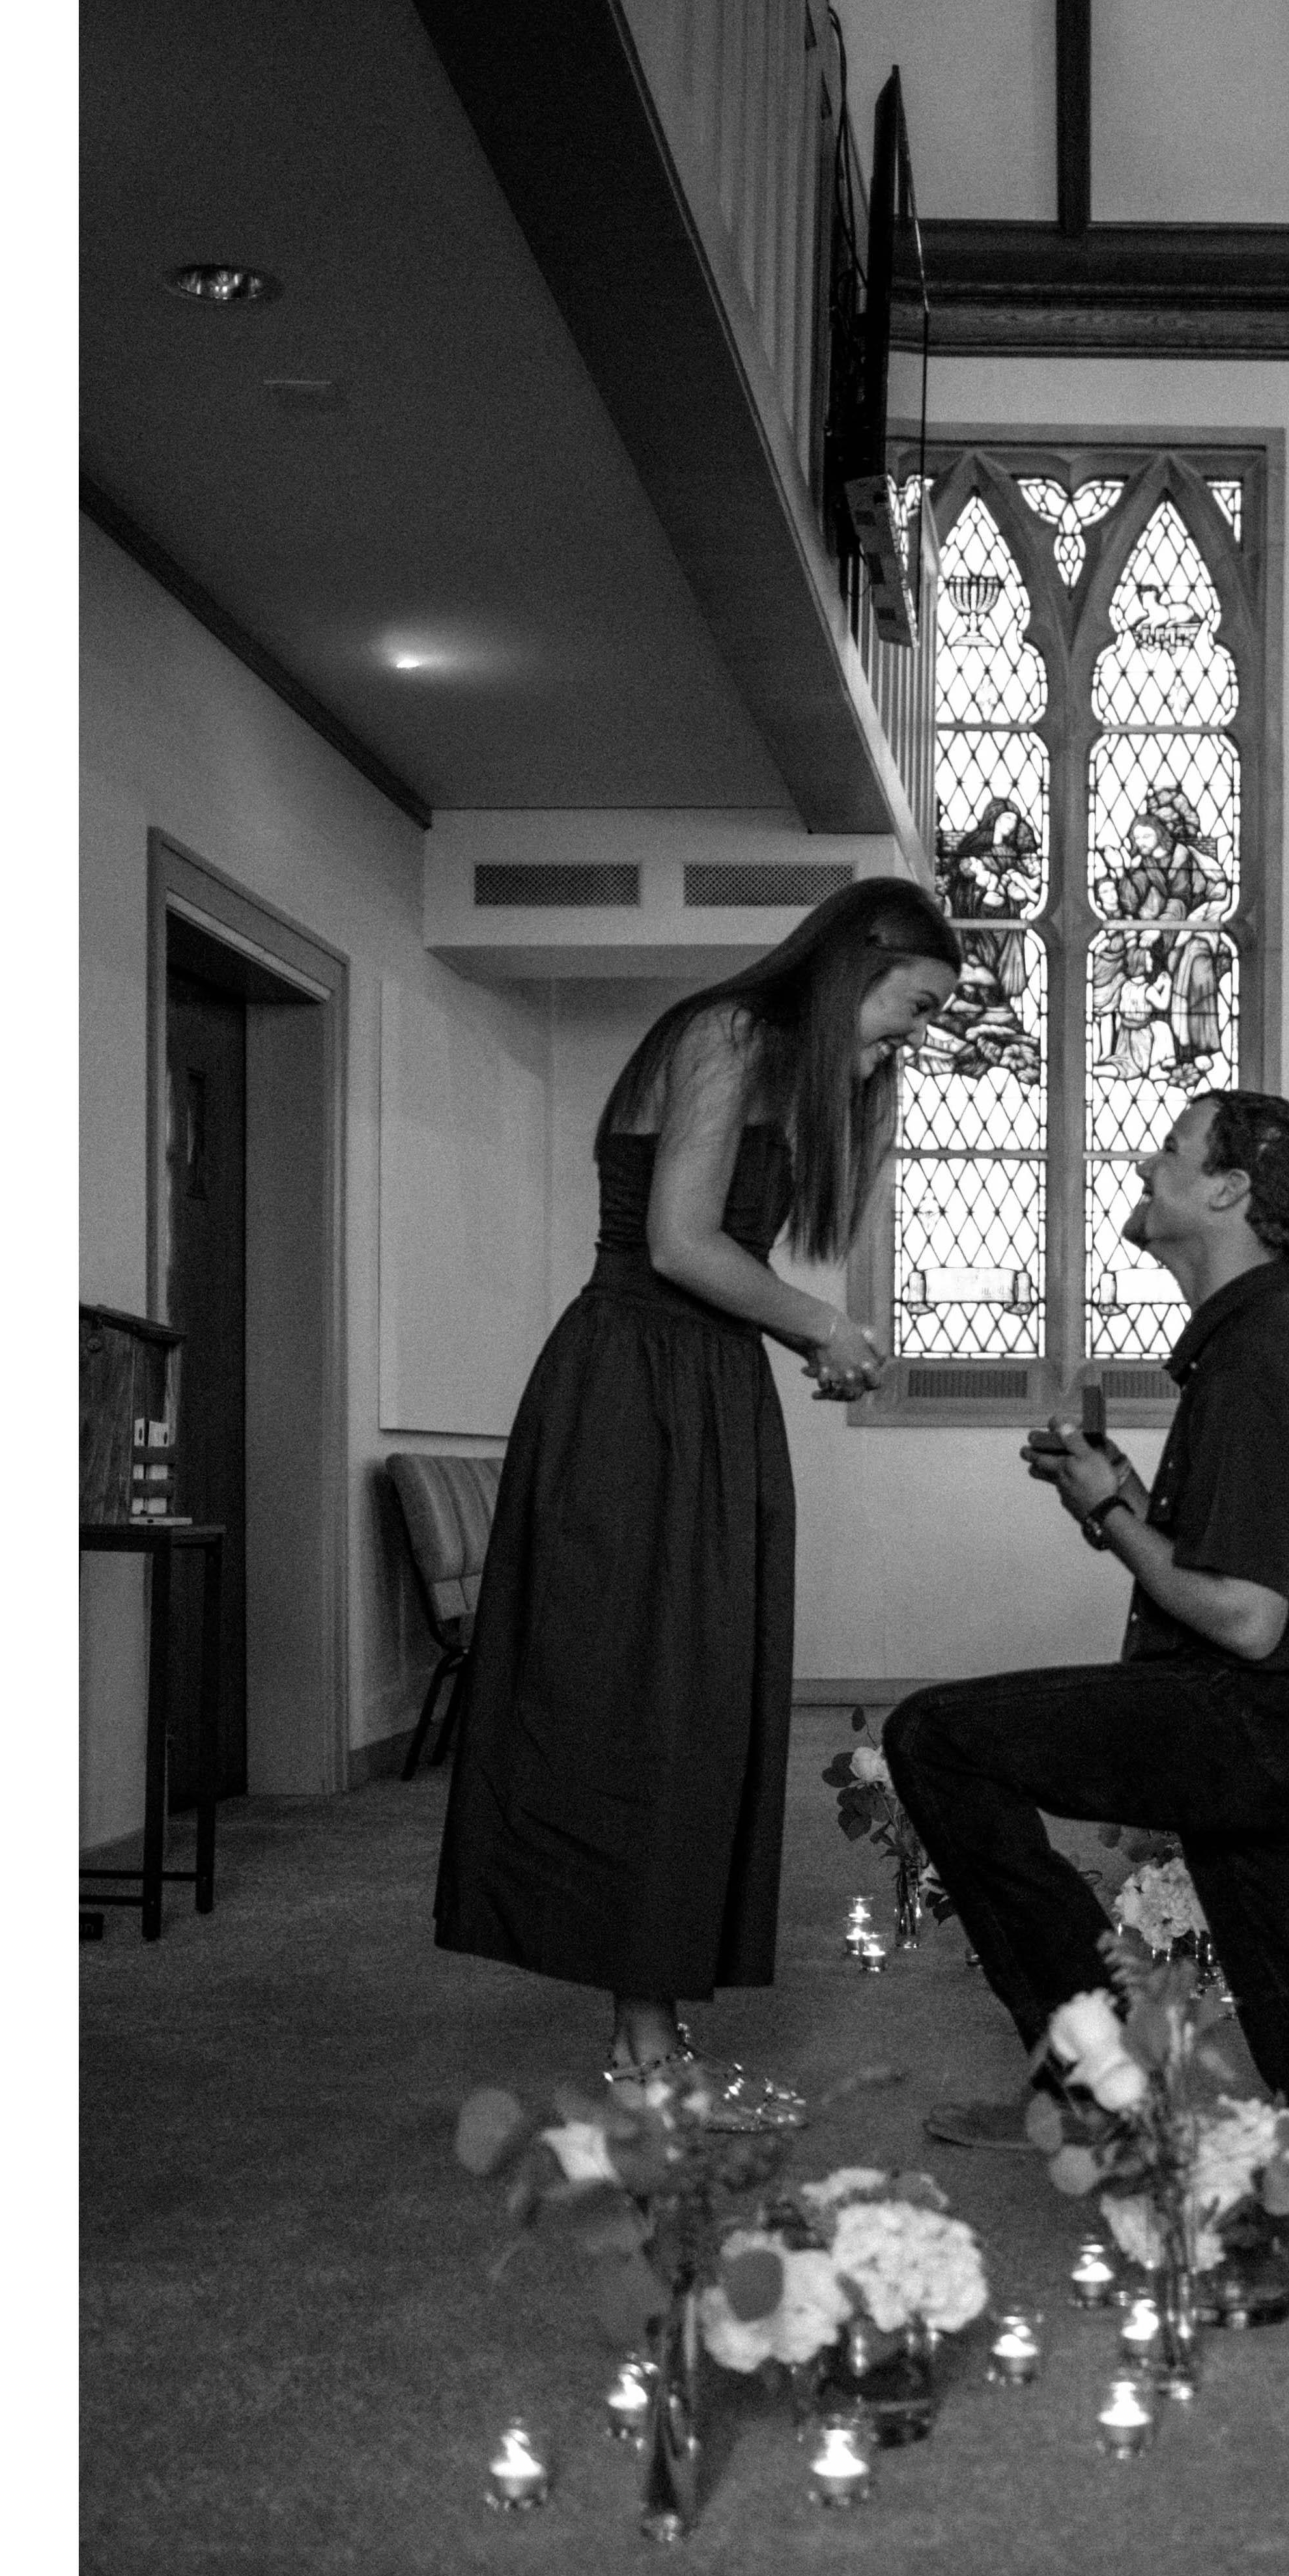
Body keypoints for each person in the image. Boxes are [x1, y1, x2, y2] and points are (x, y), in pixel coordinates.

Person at [433, 878, 963, 2118]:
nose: (914, 1035)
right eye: (913, 1005)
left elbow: (722, 1264)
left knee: (701, 1709)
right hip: (633, 1395)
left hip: (703, 1390)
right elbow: (677, 1241)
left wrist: (800, 1336)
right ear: (856, 964)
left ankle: (651, 2042)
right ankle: (646, 2057)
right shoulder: (723, 1035)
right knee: (650, 1704)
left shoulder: (780, 1063)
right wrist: (820, 1322)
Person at [885, 1089, 1289, 2138]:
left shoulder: (1260, 1358)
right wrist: (1115, 1490)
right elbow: (1232, 1573)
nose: (1142, 1164)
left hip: (1257, 1721)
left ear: (1228, 1190)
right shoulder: (1253, 1342)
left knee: (934, 1739)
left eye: (1172, 1148)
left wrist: (1108, 1510)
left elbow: (1247, 1618)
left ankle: (1095, 2075)